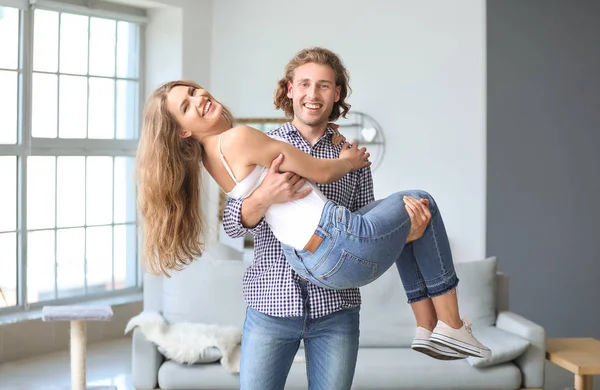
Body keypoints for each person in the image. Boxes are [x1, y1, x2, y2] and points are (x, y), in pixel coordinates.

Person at [136, 48, 491, 389]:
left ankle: (429, 327)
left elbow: (365, 218)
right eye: (304, 84)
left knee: (417, 212)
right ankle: (449, 324)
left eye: (323, 85)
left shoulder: (339, 148)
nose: (312, 93)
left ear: (336, 95)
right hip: (273, 303)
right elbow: (233, 223)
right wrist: (264, 197)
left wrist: (405, 232)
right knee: (422, 198)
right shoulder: (260, 140)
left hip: (334, 300)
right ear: (289, 90)